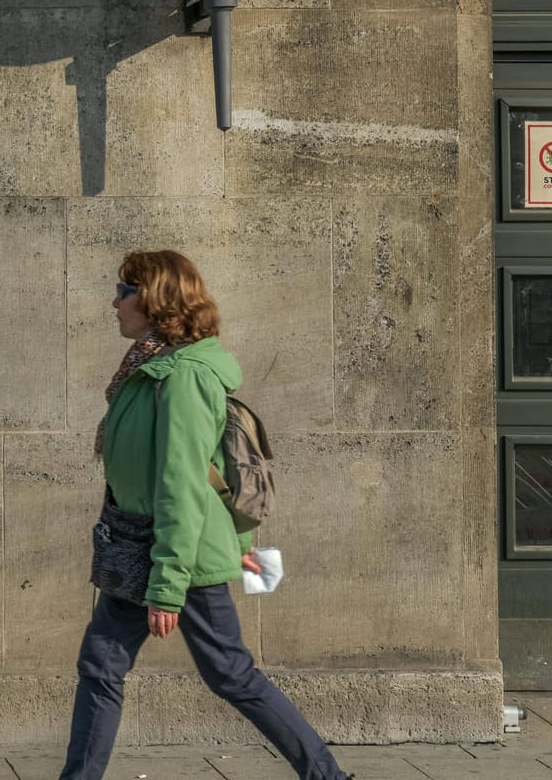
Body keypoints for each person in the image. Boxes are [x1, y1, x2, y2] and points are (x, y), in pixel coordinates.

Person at [60, 250, 350, 780]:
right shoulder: (150, 369)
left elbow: (181, 485)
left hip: (181, 555)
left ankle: (327, 775)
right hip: (137, 544)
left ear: (153, 301)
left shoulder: (185, 377)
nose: (114, 301)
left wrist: (167, 586)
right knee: (101, 665)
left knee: (231, 674)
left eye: (124, 290)